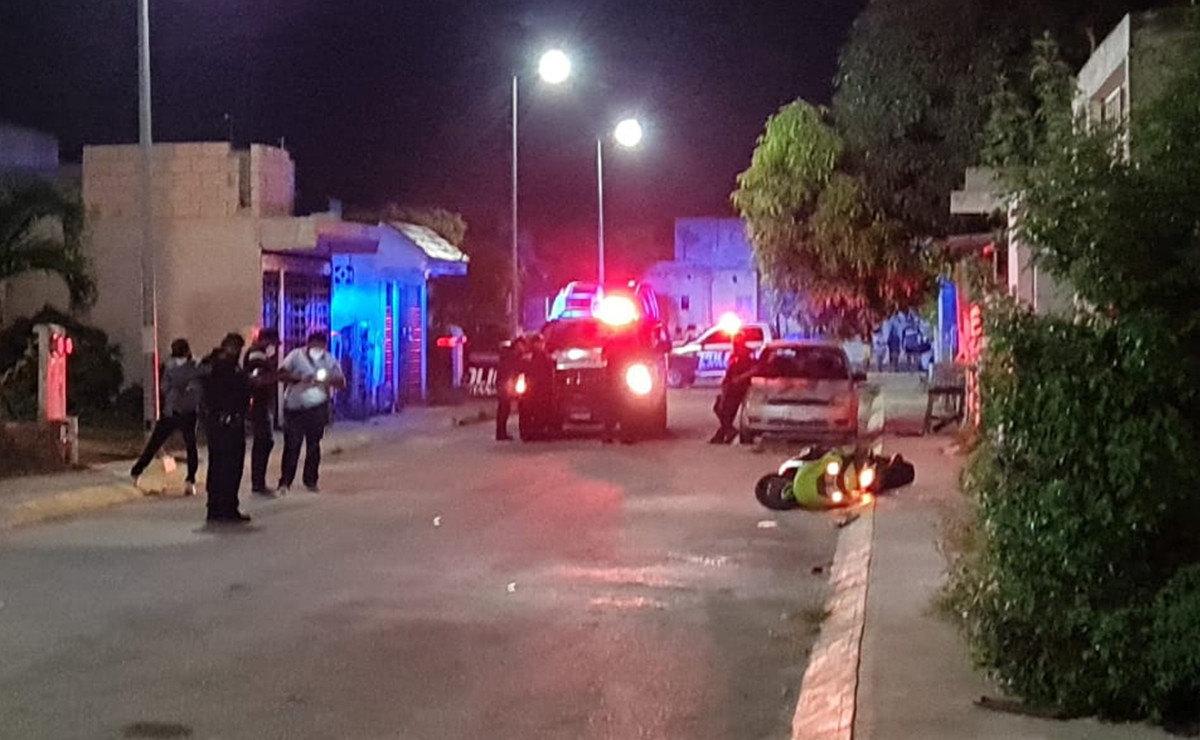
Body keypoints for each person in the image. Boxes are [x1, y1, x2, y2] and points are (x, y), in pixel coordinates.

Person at [277, 331, 345, 494]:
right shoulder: (295, 356)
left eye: (321, 347)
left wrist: (326, 380)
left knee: (313, 446)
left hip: (317, 407)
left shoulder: (329, 360)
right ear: (308, 345)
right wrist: (298, 378)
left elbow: (341, 382)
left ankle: (311, 480)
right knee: (292, 445)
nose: (317, 350)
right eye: (315, 346)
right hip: (295, 407)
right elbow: (281, 374)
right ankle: (285, 481)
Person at [131, 338, 201, 495]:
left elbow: (193, 388)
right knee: (159, 443)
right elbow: (165, 387)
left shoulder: (189, 367)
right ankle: (137, 471)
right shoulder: (177, 366)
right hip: (176, 411)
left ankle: (190, 480)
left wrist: (180, 389)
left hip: (183, 411)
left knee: (187, 446)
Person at [198, 333, 251, 523]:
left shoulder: (212, 365)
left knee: (219, 465)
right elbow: (230, 393)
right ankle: (225, 508)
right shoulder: (223, 367)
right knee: (229, 466)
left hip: (219, 422)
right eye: (235, 347)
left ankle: (216, 508)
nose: (237, 351)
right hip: (226, 423)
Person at [243, 328, 281, 495]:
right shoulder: (257, 355)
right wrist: (277, 375)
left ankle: (259, 481)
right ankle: (258, 482)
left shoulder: (261, 354)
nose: (275, 346)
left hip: (262, 403)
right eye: (273, 343)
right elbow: (257, 380)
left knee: (265, 441)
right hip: (259, 403)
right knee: (263, 442)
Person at [710, 332, 756, 444]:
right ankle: (724, 434)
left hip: (737, 388)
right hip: (731, 386)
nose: (735, 345)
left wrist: (739, 378)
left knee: (724, 411)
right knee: (722, 410)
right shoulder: (736, 355)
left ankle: (727, 432)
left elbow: (752, 370)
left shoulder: (745, 356)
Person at [518, 334, 555, 440]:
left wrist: (550, 389)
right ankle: (527, 432)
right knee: (527, 411)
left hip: (542, 389)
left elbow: (550, 374)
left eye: (540, 343)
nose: (539, 345)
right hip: (530, 389)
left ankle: (540, 431)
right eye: (537, 343)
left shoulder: (547, 358)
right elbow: (521, 372)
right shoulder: (528, 358)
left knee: (542, 411)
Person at [495, 336, 528, 441]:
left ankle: (501, 432)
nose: (522, 348)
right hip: (505, 383)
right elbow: (510, 370)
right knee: (504, 409)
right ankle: (501, 433)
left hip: (506, 383)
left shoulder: (514, 355)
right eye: (521, 345)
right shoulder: (511, 356)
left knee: (505, 408)